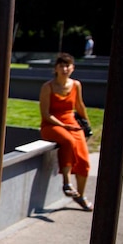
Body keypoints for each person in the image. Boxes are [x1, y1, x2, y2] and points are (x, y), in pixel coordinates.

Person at [40, 52, 93, 211]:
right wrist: (64, 126)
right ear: (56, 68)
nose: (64, 68)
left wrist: (87, 124)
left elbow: (80, 106)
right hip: (51, 124)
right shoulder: (47, 87)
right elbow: (46, 114)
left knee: (84, 161)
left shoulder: (76, 85)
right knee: (68, 141)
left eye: (67, 65)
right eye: (61, 65)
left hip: (72, 123)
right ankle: (67, 183)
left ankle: (81, 196)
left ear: (72, 68)